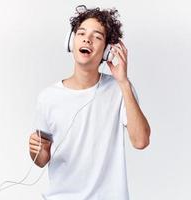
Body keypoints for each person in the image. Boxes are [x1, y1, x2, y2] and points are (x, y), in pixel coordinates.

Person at [29, 5, 151, 200]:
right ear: (71, 41)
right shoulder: (48, 97)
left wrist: (123, 82)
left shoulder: (120, 90)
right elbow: (42, 160)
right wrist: (36, 150)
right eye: (82, 33)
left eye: (97, 36)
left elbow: (141, 141)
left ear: (107, 51)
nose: (87, 39)